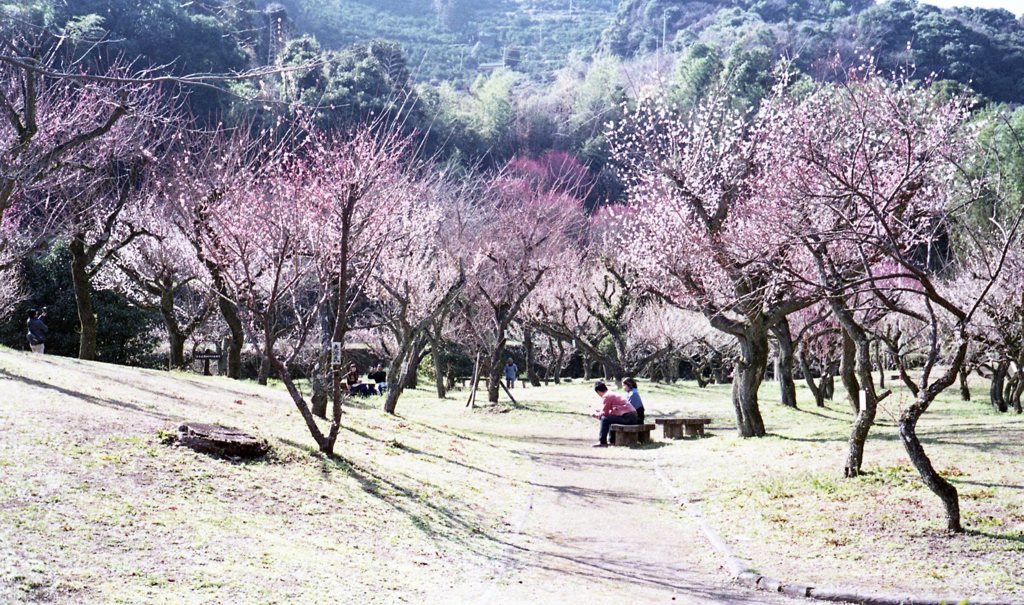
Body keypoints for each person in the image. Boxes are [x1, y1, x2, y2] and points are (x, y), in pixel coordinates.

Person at [590, 381, 637, 447]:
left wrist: (595, 414)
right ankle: (612, 441)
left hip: (628, 417)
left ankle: (602, 442)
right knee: (610, 418)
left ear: (598, 392)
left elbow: (604, 413)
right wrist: (600, 412)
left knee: (605, 419)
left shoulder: (607, 396)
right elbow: (610, 411)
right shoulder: (611, 393)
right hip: (632, 417)